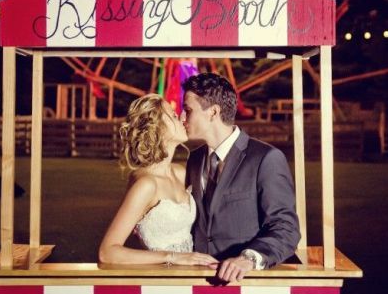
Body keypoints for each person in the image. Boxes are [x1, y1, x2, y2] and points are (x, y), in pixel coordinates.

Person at [182, 73, 301, 282]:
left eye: (188, 110)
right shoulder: (195, 158)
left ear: (213, 112)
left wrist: (248, 259)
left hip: (246, 284)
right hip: (197, 282)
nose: (182, 117)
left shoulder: (266, 158)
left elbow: (286, 228)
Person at [98, 93, 217, 268]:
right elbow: (107, 252)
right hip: (163, 280)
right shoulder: (146, 185)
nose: (183, 118)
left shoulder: (180, 172)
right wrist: (173, 257)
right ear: (158, 128)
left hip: (193, 275)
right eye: (175, 116)